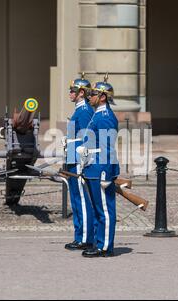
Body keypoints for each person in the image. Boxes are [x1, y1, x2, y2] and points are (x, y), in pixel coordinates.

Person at [80, 75, 120, 258]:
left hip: (100, 168)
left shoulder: (105, 117)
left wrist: (107, 173)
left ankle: (105, 246)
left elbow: (107, 147)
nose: (89, 97)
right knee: (97, 209)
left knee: (104, 209)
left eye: (93, 94)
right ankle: (98, 242)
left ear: (103, 97)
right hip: (92, 166)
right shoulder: (97, 114)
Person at [63, 73, 95, 251]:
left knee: (82, 200)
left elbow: (86, 139)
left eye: (72, 90)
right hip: (72, 158)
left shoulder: (84, 111)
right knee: (76, 200)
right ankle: (79, 235)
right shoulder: (79, 110)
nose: (70, 93)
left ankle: (85, 238)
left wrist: (82, 161)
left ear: (81, 92)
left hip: (78, 160)